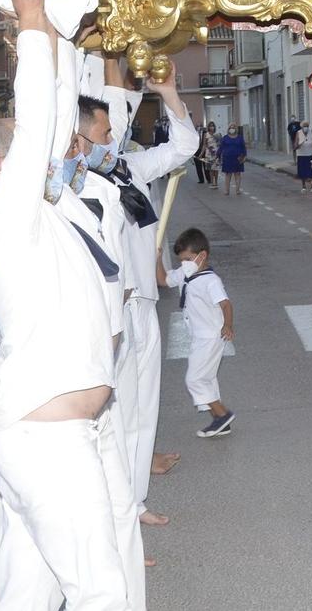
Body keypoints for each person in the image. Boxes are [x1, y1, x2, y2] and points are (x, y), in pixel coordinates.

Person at [0, 0, 141, 610]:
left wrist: (56, 40)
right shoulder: (5, 213)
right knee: (101, 590)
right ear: (4, 166)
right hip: (47, 439)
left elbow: (59, 118)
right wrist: (32, 19)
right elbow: (40, 119)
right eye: (29, 148)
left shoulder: (45, 212)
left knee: (22, 593)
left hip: (52, 433)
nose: (52, 152)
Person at [98, 61, 198, 526]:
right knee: (111, 414)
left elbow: (184, 146)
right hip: (109, 310)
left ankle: (133, 501)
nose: (115, 134)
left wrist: (169, 92)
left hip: (143, 304)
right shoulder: (82, 183)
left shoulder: (131, 168)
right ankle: (110, 507)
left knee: (142, 410)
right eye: (105, 129)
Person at [163, 227, 235, 438]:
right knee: (207, 378)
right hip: (198, 337)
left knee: (194, 379)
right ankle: (219, 420)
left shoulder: (211, 281)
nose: (183, 263)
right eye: (181, 260)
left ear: (202, 256)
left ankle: (222, 414)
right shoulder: (185, 273)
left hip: (211, 337)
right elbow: (163, 280)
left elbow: (225, 304)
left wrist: (228, 325)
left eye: (187, 259)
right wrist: (157, 257)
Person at [218, 125, 246, 196]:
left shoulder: (240, 138)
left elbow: (243, 148)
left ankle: (237, 190)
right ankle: (227, 190)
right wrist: (218, 155)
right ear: (228, 129)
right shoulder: (225, 138)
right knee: (228, 174)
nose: (232, 129)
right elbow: (221, 147)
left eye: (233, 128)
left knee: (237, 174)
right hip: (227, 158)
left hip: (238, 158)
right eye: (230, 128)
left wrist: (243, 156)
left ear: (236, 129)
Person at [293, 119, 312, 192]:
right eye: (304, 126)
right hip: (301, 155)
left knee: (311, 171)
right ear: (302, 127)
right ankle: (303, 186)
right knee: (302, 172)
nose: (306, 127)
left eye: (307, 126)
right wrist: (298, 145)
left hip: (309, 154)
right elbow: (295, 145)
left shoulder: (311, 132)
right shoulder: (298, 133)